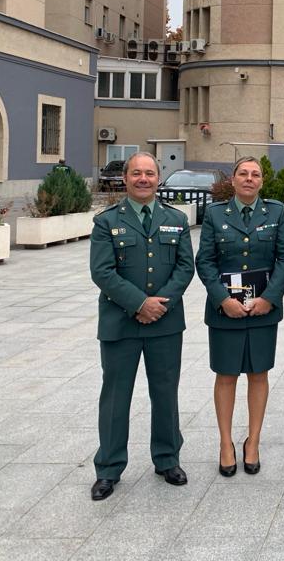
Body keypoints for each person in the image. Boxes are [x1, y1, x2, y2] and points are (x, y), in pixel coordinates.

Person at [88, 152, 195, 501]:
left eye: (149, 173)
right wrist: (139, 304)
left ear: (158, 178)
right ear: (125, 178)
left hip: (165, 323)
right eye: (136, 173)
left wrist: (159, 305)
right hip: (120, 323)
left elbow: (185, 267)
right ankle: (108, 468)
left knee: (165, 393)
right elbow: (102, 271)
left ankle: (167, 459)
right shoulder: (107, 222)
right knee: (115, 397)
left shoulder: (176, 219)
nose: (143, 179)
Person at [195, 156, 284, 477]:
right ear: (233, 179)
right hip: (225, 312)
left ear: (262, 181)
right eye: (243, 173)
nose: (249, 179)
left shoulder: (275, 212)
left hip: (263, 310)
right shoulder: (215, 214)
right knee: (226, 375)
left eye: (255, 174)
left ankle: (254, 441)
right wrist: (222, 300)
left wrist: (269, 298)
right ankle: (226, 444)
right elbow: (205, 261)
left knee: (258, 374)